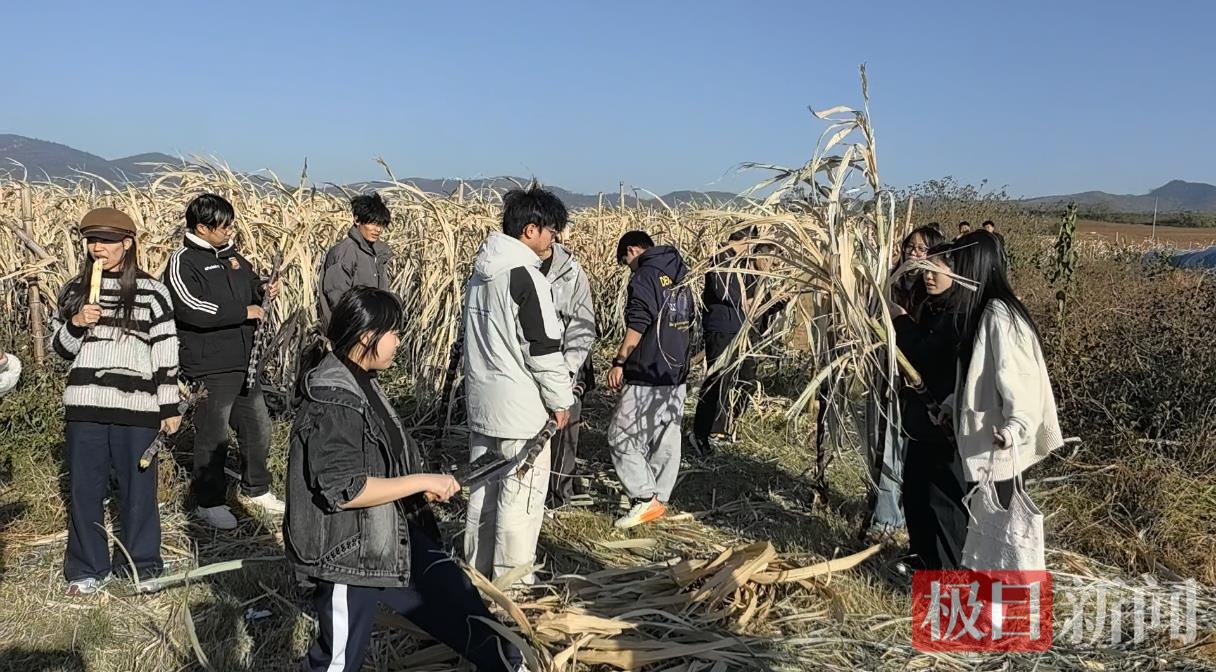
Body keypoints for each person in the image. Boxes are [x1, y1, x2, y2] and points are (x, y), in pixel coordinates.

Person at [287, 287, 524, 672]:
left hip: (389, 531)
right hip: (348, 550)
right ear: (367, 336)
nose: (399, 341)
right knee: (338, 661)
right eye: (394, 333)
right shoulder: (335, 399)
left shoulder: (363, 380)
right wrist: (419, 482)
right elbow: (346, 489)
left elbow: (383, 462)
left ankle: (511, 663)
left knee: (458, 599)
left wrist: (421, 489)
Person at [51, 208, 181, 595]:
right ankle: (87, 568)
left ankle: (141, 565)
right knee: (85, 490)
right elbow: (60, 349)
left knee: (138, 491)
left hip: (137, 407)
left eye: (107, 241)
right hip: (85, 405)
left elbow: (165, 349)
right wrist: (76, 323)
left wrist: (169, 405)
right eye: (92, 241)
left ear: (127, 243)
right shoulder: (75, 290)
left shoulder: (152, 292)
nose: (98, 249)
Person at [461, 184, 574, 586]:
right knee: (520, 502)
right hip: (520, 413)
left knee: (482, 495)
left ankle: (476, 577)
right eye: (551, 231)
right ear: (530, 230)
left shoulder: (480, 274)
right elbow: (542, 348)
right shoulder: (525, 278)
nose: (553, 240)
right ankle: (512, 589)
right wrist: (561, 400)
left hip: (482, 403)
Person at [164, 193, 284, 530]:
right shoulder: (183, 261)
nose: (230, 231)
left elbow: (250, 284)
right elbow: (189, 307)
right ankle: (210, 501)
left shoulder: (232, 257)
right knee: (213, 434)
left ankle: (256, 489)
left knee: (257, 426)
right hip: (210, 364)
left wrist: (263, 289)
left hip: (245, 361)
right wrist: (242, 312)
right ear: (201, 228)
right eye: (223, 226)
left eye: (230, 225)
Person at [943, 230, 1063, 519]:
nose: (954, 276)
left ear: (974, 267)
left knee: (999, 530)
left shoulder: (1000, 315)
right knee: (984, 529)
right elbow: (976, 376)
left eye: (959, 267)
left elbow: (1021, 377)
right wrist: (951, 405)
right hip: (987, 447)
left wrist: (1014, 428)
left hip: (1000, 448)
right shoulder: (981, 312)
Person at [607, 231, 695, 529]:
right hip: (675, 372)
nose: (629, 268)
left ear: (633, 250)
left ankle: (644, 497)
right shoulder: (680, 273)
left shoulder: (645, 275)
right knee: (666, 437)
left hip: (648, 369)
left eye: (626, 262)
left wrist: (620, 361)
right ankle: (659, 496)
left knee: (622, 436)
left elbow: (638, 322)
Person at [889, 241, 968, 569]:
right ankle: (920, 560)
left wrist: (900, 321)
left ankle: (946, 576)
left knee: (942, 505)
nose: (928, 276)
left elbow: (925, 354)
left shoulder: (959, 315)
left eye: (937, 269)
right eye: (926, 269)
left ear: (957, 272)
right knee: (915, 494)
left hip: (945, 428)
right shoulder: (932, 306)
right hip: (922, 423)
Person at [869, 225, 949, 538]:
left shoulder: (933, 295)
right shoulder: (890, 284)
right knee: (888, 445)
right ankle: (887, 518)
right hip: (890, 379)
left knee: (913, 455)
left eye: (922, 249)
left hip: (923, 388)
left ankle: (906, 515)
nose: (914, 254)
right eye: (910, 247)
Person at [539, 236, 596, 508]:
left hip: (565, 365)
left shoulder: (571, 272)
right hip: (525, 370)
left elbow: (583, 325)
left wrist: (567, 371)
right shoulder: (514, 266)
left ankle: (559, 496)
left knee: (566, 429)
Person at [692, 226, 759, 452]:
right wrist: (744, 302)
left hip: (738, 330)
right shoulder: (720, 258)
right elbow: (723, 292)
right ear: (746, 240)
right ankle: (702, 433)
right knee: (717, 381)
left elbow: (751, 296)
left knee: (743, 379)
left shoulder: (742, 264)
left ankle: (723, 426)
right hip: (721, 328)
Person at [317, 192, 393, 329]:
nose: (378, 229)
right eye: (373, 223)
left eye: (381, 224)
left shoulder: (376, 254)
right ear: (357, 220)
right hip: (349, 332)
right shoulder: (345, 252)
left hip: (371, 330)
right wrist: (361, 327)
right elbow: (338, 300)